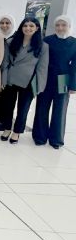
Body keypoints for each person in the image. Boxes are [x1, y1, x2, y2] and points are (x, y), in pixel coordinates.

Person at [0, 17, 49, 144]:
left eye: (31, 26)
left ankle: (17, 131)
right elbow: (5, 63)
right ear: (21, 27)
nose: (28, 28)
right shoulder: (11, 42)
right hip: (10, 79)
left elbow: (42, 68)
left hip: (29, 81)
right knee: (8, 106)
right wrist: (3, 80)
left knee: (23, 109)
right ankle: (7, 128)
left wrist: (39, 86)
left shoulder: (43, 46)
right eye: (25, 26)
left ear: (37, 28)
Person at [33, 16, 76, 148]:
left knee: (60, 110)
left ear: (69, 26)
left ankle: (56, 140)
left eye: (63, 25)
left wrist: (73, 85)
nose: (60, 28)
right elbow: (39, 61)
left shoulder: (74, 42)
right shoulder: (47, 40)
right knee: (42, 107)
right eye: (57, 25)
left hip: (64, 79)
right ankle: (39, 137)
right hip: (46, 78)